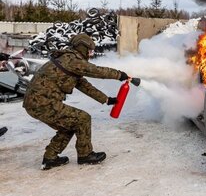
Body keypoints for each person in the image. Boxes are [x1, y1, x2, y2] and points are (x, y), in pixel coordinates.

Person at [23, 33, 130, 170]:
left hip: (36, 103)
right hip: (42, 103)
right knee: (82, 119)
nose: (90, 54)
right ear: (82, 48)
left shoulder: (68, 60)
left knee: (68, 126)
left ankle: (50, 158)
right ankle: (85, 155)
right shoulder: (72, 61)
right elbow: (97, 71)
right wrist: (119, 75)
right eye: (89, 50)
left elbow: (83, 85)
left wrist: (106, 100)